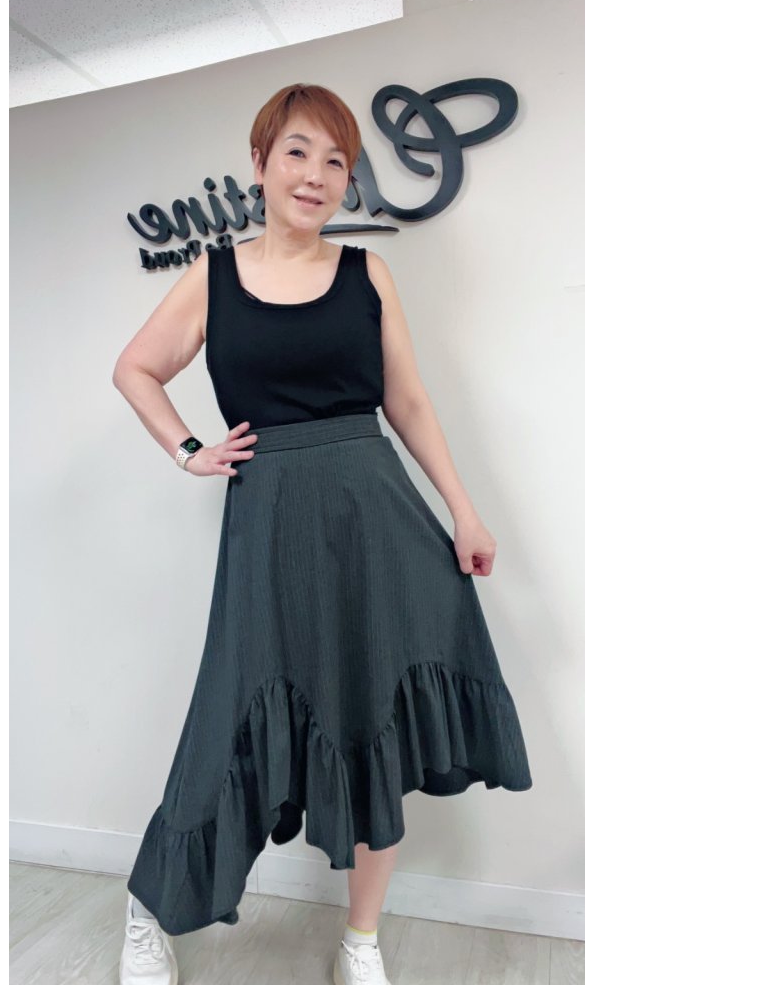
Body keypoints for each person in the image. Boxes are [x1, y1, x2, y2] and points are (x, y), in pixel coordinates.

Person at [111, 84, 532, 985]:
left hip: (376, 521)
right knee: (226, 718)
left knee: (374, 719)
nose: (316, 175)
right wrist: (187, 449)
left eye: (336, 160)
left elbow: (406, 399)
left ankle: (361, 941)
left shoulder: (366, 274)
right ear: (259, 163)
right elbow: (136, 368)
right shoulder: (213, 277)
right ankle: (151, 906)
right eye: (298, 152)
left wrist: (463, 510)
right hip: (268, 528)